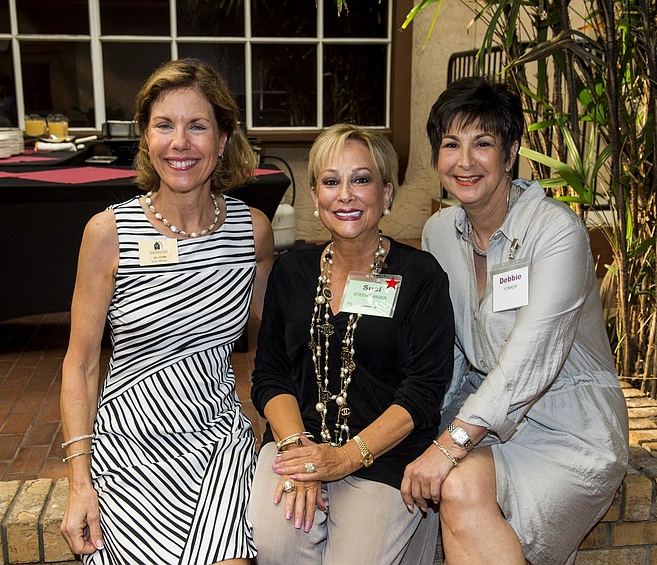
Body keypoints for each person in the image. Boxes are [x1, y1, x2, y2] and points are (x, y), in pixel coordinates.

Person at [402, 76, 629, 565]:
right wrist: (423, 424)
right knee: (458, 488)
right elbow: (452, 349)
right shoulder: (438, 232)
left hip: (567, 424)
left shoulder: (557, 232)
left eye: (483, 143)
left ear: (510, 154)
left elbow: (533, 354)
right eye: (450, 144)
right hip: (485, 415)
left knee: (456, 480)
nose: (464, 161)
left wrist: (453, 441)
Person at [60, 58, 274, 565]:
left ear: (222, 139)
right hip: (126, 448)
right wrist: (77, 481)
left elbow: (278, 343)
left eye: (197, 125)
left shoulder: (253, 231)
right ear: (145, 136)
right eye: (164, 125)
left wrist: (276, 427)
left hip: (218, 443)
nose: (180, 142)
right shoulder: (108, 233)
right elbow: (82, 362)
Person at [249, 123, 455, 564]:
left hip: (383, 458)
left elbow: (423, 392)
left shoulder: (422, 277)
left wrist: (343, 459)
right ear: (315, 196)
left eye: (361, 179)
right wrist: (296, 449)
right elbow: (270, 375)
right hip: (296, 443)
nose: (345, 194)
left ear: (386, 193)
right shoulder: (292, 272)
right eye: (331, 181)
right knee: (277, 545)